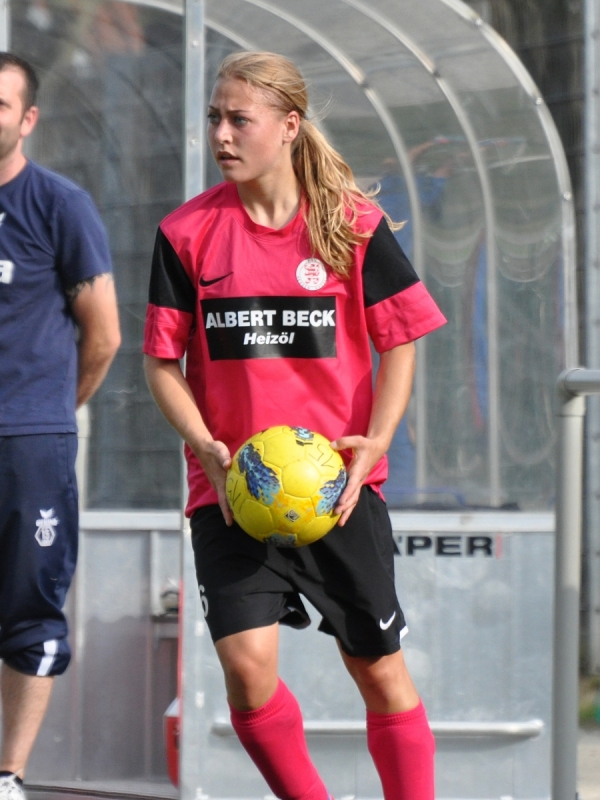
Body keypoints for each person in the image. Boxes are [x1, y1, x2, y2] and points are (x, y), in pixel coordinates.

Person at [144, 51, 445, 800]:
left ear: (289, 126)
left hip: (337, 492)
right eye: (214, 118)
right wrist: (206, 447)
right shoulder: (186, 233)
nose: (221, 134)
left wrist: (376, 442)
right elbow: (160, 363)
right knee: (246, 672)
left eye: (239, 119)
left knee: (376, 668)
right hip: (231, 491)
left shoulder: (351, 225)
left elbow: (401, 340)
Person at [0, 54, 120, 800]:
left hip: (28, 446)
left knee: (27, 611)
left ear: (27, 119)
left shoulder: (58, 205)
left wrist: (49, 413)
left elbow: (103, 335)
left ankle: (8, 774)